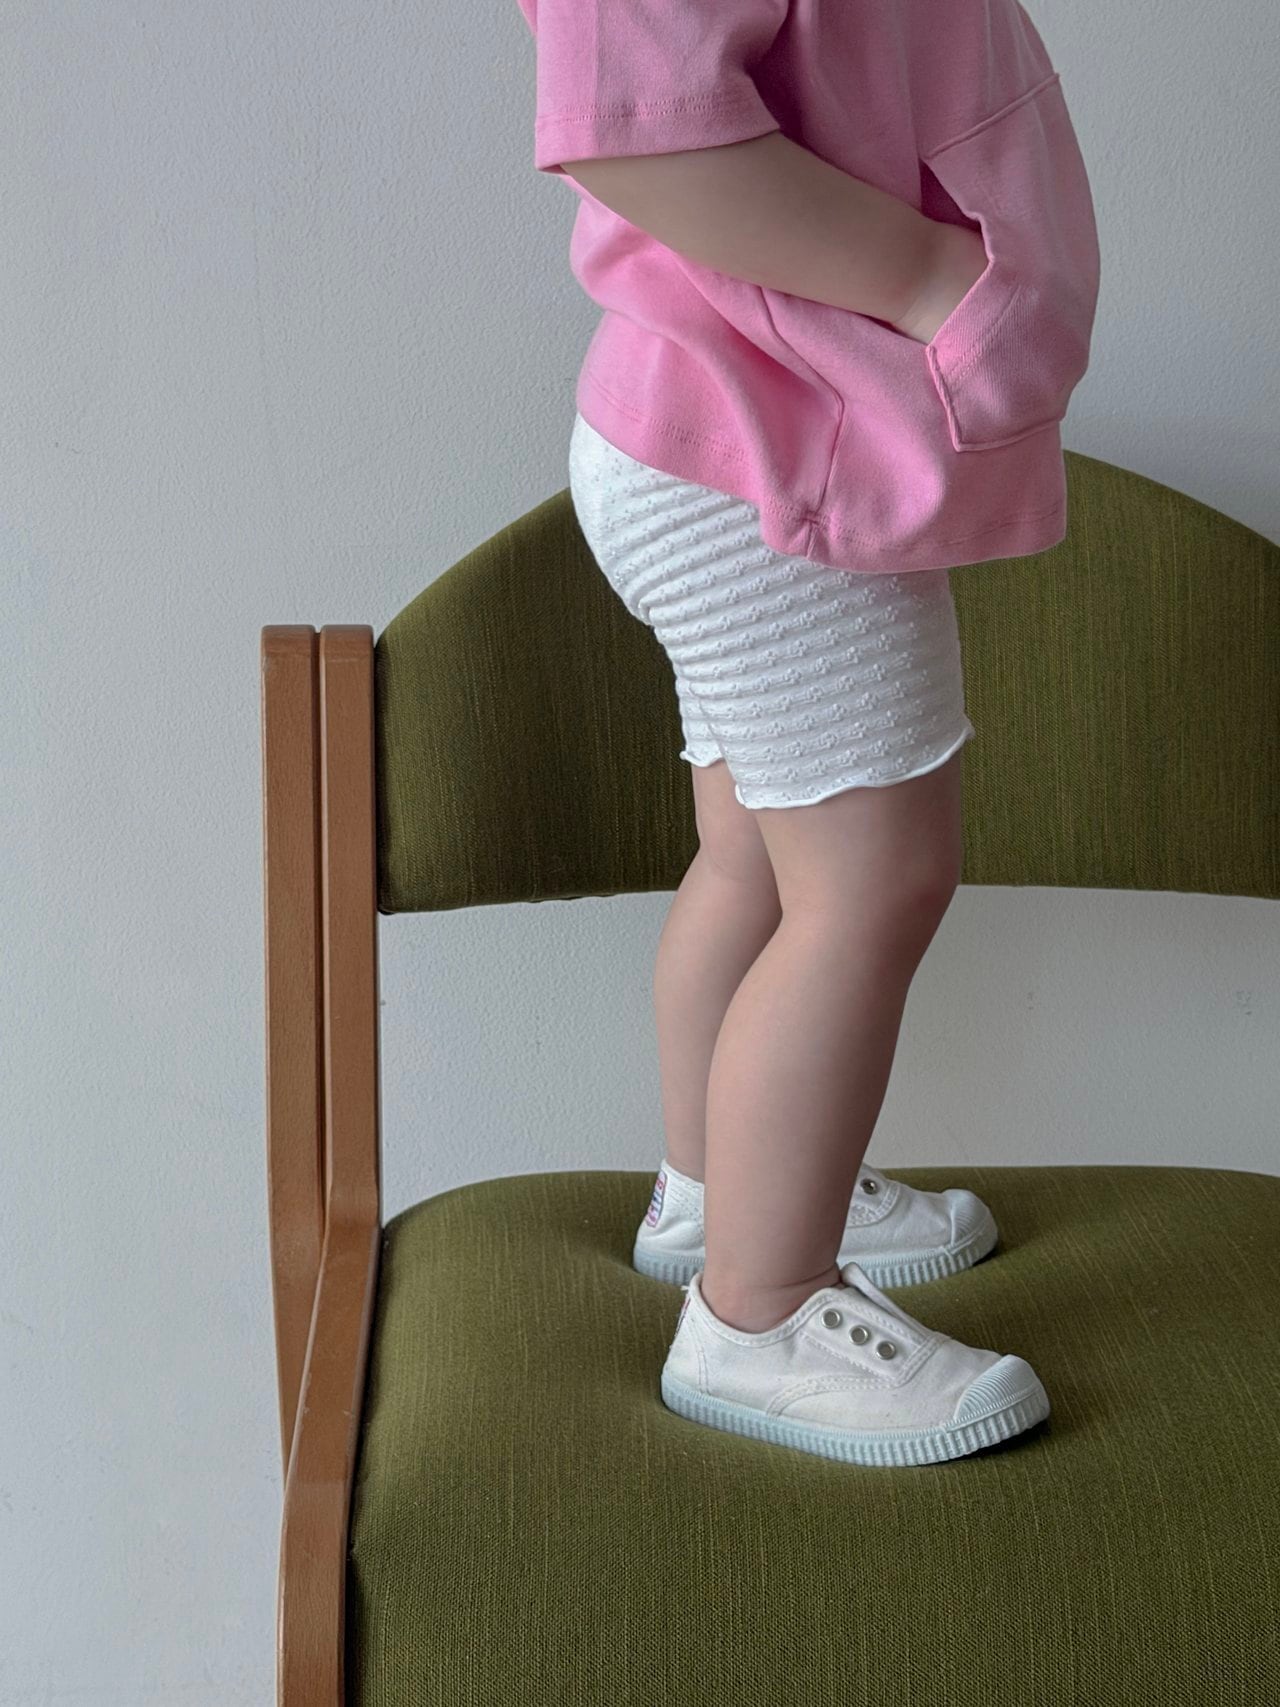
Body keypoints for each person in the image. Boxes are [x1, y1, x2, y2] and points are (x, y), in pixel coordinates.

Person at [516, 0, 1101, 1466]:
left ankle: (721, 1199)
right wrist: (936, 283)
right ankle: (761, 1307)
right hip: (772, 454)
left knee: (761, 861)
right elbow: (630, 126)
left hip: (730, 431)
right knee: (872, 883)